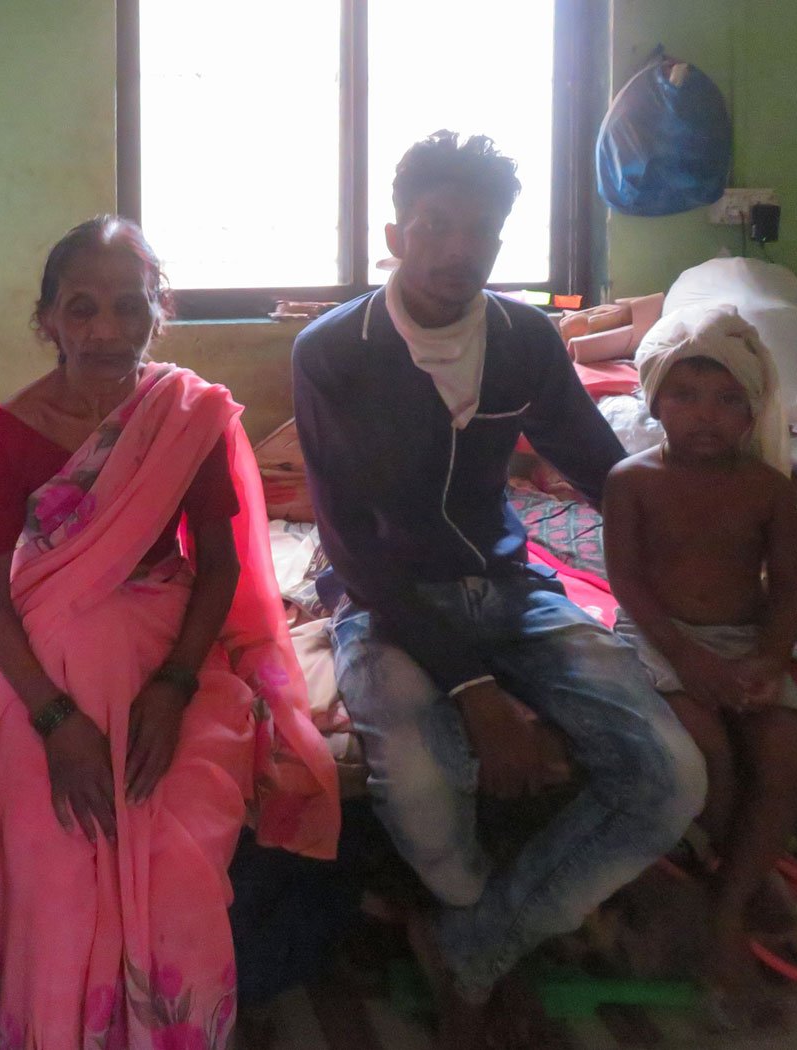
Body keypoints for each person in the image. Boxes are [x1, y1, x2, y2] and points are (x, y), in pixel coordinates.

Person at [292, 131, 705, 1049]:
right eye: (434, 227)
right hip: (383, 600)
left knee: (670, 777)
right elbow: (351, 547)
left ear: (500, 242)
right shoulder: (336, 352)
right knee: (426, 775)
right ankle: (487, 936)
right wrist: (474, 692)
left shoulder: (523, 339)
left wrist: (689, 556)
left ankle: (473, 944)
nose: (455, 251)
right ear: (396, 235)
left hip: (508, 586)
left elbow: (599, 465)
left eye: (478, 232)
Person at [0, 215, 339, 1050]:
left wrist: (174, 687)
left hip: (168, 658)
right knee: (54, 866)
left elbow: (219, 567)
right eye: (81, 309)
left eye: (129, 306)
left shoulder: (184, 418)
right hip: (39, 671)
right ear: (46, 320)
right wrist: (54, 720)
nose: (107, 331)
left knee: (179, 862)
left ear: (161, 311)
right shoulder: (11, 434)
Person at [604, 306, 797, 1024]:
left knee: (787, 755)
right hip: (656, 638)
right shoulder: (631, 481)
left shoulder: (768, 488)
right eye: (686, 396)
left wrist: (768, 660)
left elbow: (787, 593)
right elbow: (628, 585)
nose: (706, 417)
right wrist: (687, 660)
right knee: (709, 749)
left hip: (742, 640)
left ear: (753, 410)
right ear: (654, 399)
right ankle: (736, 869)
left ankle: (727, 906)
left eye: (729, 401)